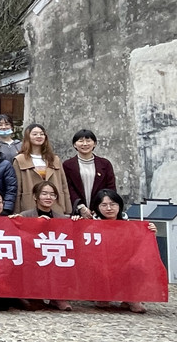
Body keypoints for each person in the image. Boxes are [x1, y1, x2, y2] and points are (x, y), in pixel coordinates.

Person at [89, 188, 155, 313]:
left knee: (137, 264)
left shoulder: (128, 224)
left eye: (113, 204)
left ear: (119, 205)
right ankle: (102, 294)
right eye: (104, 205)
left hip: (124, 262)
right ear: (97, 207)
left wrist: (150, 231)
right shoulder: (91, 225)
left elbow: (141, 244)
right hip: (102, 263)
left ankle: (132, 298)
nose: (109, 208)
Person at [10, 180, 72, 311]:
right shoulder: (25, 215)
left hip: (53, 254)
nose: (49, 197)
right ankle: (33, 296)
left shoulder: (61, 218)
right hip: (31, 254)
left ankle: (58, 297)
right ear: (35, 196)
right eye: (44, 194)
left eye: (52, 194)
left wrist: (77, 222)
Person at [13, 124, 71, 215]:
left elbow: (64, 186)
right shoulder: (20, 160)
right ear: (28, 137)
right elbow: (17, 189)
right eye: (35, 134)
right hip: (30, 206)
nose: (39, 136)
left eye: (42, 134)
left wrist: (68, 209)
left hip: (54, 206)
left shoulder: (54, 159)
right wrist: (16, 212)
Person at [63, 129, 117, 220]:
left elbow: (110, 188)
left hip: (100, 212)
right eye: (81, 141)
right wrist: (80, 207)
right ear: (74, 144)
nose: (85, 144)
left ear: (94, 144)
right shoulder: (68, 165)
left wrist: (100, 207)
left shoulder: (105, 164)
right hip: (77, 213)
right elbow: (68, 188)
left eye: (88, 141)